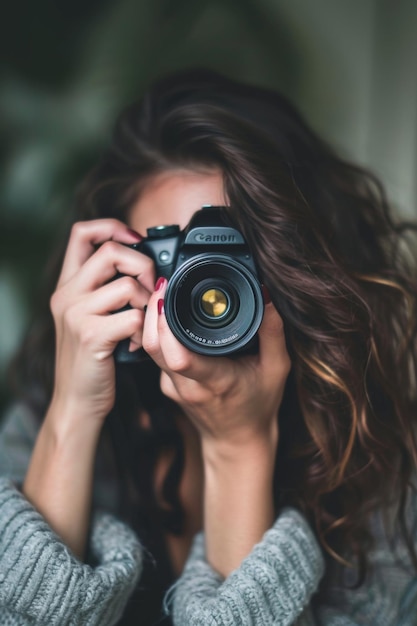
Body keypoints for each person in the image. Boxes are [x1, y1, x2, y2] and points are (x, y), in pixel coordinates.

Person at [1, 68, 417, 626]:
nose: (209, 288)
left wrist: (240, 445)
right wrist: (72, 412)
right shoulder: (41, 428)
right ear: (121, 267)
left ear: (306, 271)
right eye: (180, 259)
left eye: (238, 258)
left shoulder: (386, 475)